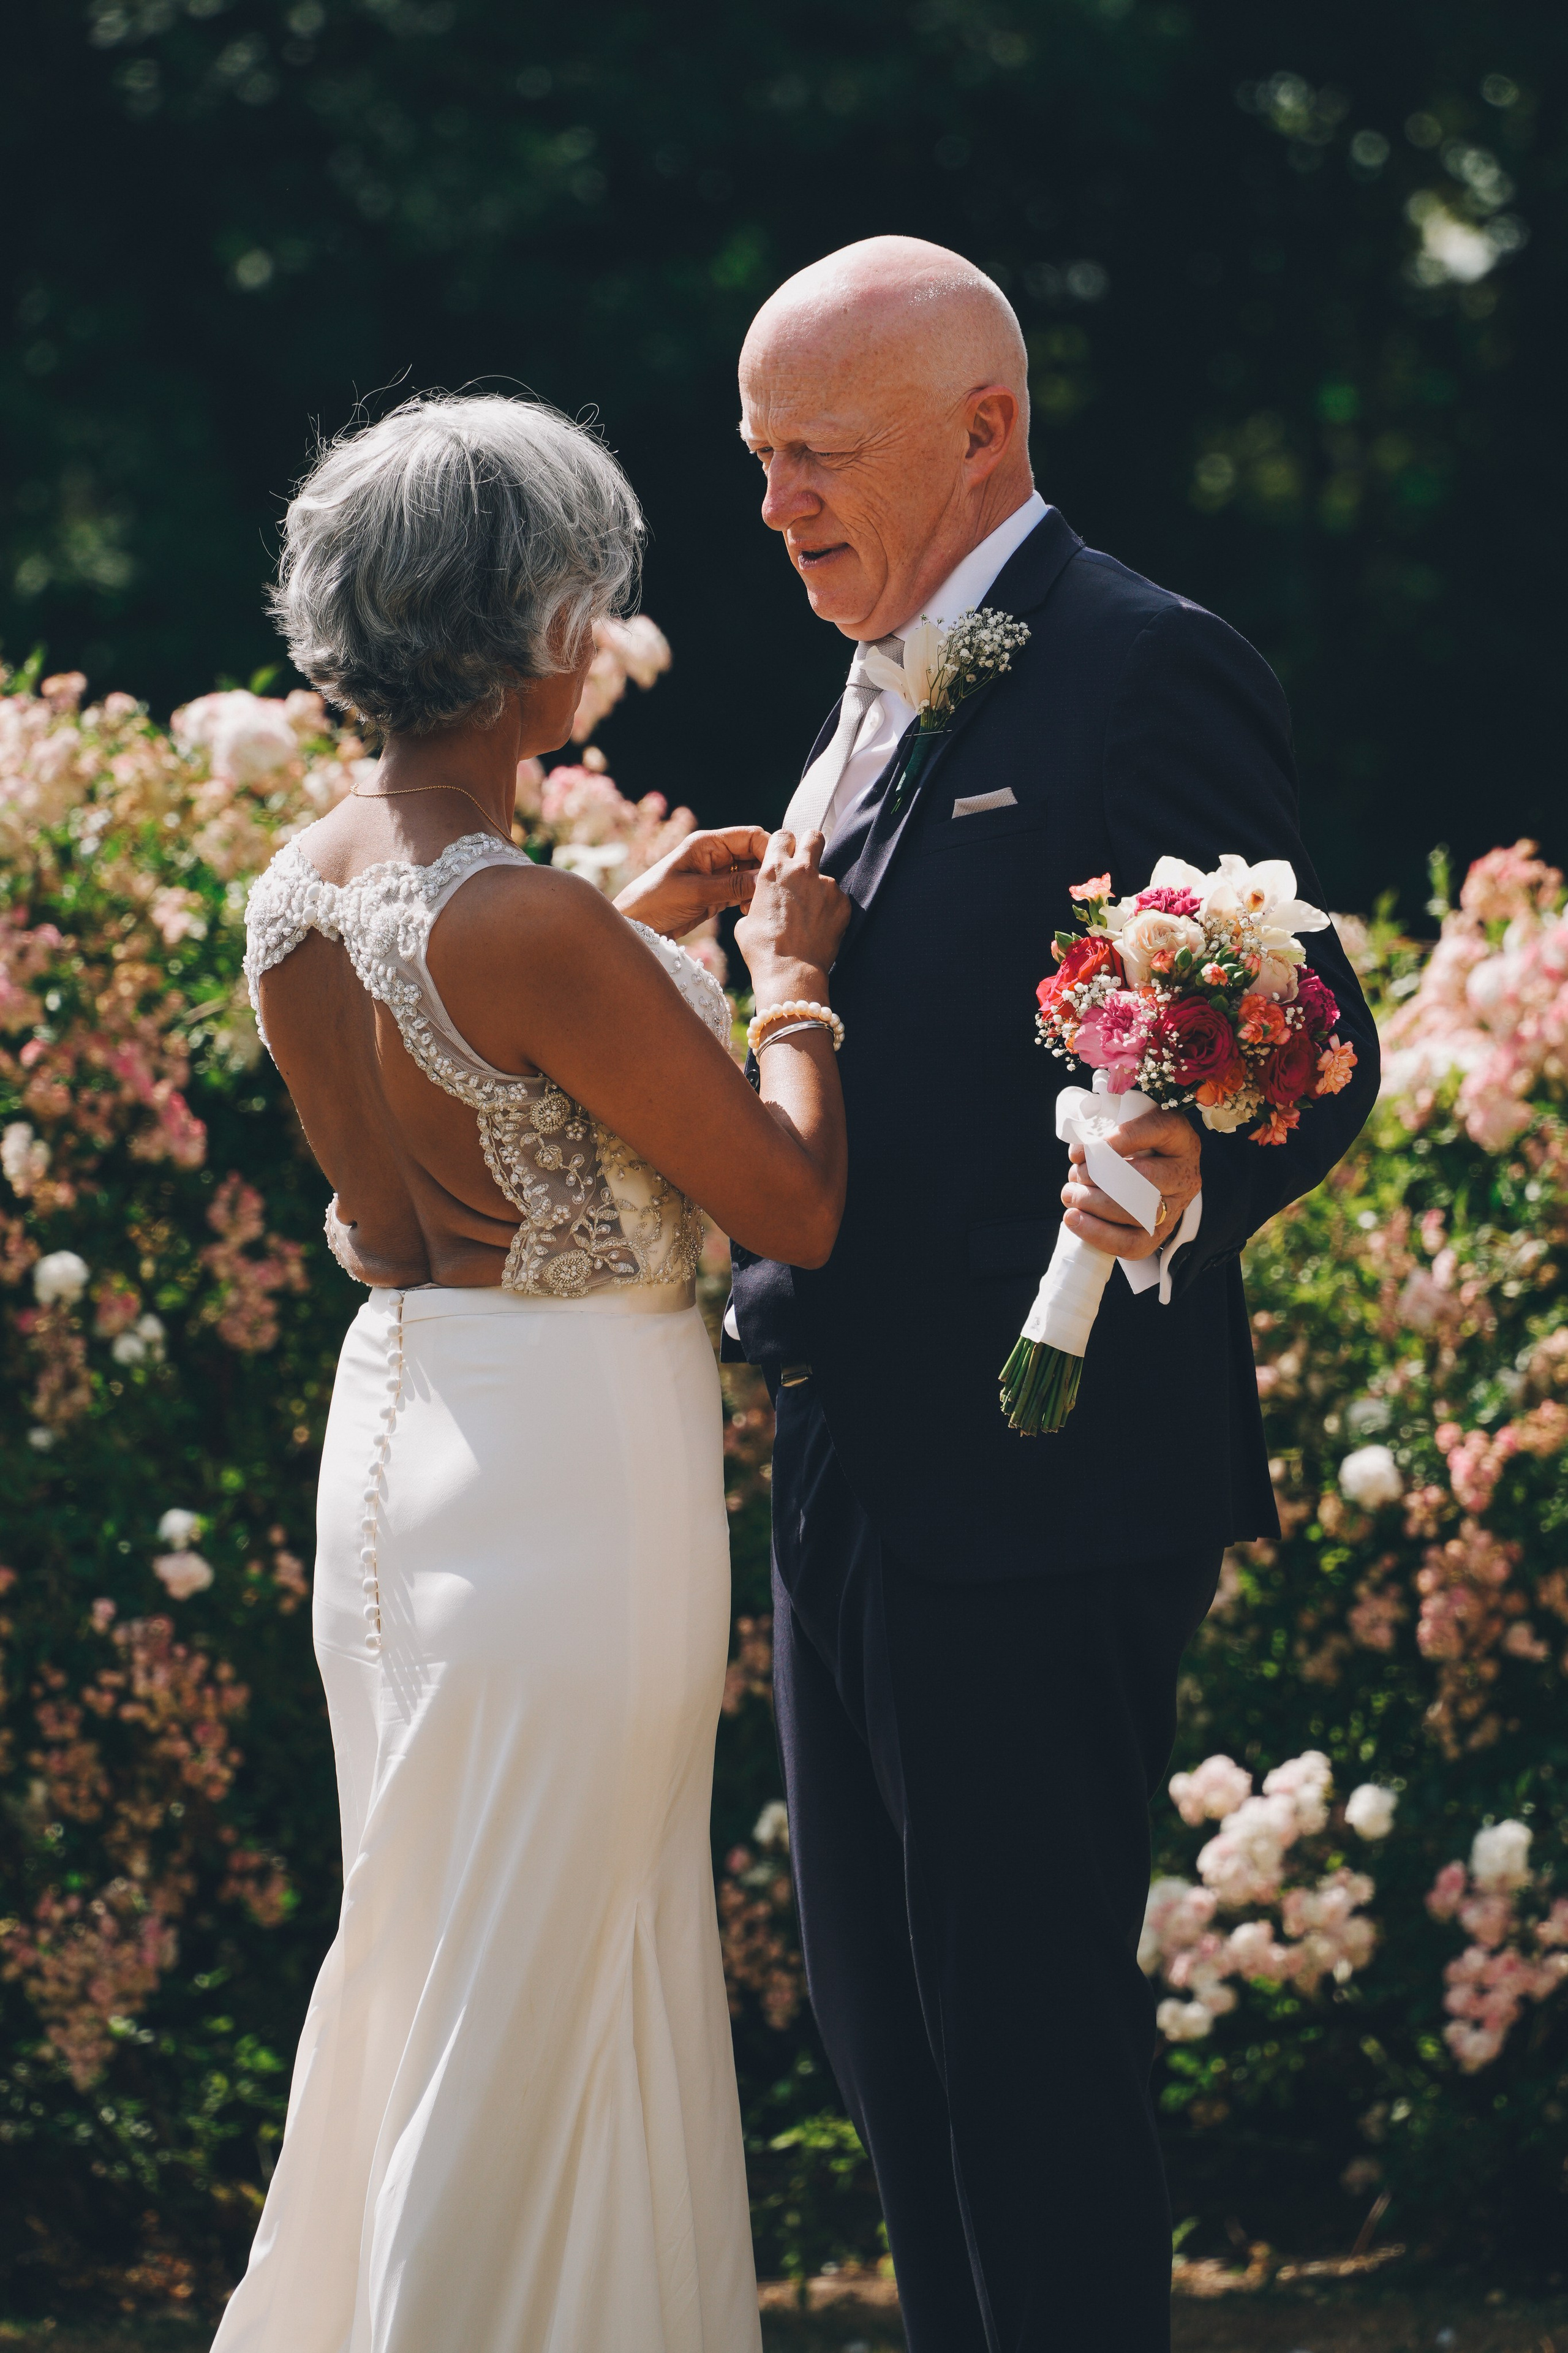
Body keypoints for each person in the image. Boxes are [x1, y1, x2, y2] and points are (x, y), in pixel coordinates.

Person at [724, 237, 1381, 2352]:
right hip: (846, 1471)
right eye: (759, 459)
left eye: (818, 452)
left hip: (1044, 1481)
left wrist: (1205, 1160)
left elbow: (1310, 1016)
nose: (778, 503)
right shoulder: (869, 683)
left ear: (984, 430)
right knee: (888, 2050)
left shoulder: (1137, 661)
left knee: (1021, 2053)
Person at [212, 391, 850, 2353]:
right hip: (574, 1480)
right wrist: (789, 973)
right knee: (550, 1978)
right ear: (526, 622)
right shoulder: (531, 920)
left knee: (444, 1954)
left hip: (402, 1440)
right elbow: (792, 1205)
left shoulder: (296, 889)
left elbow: (459, 1134)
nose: (604, 631)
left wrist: (638, 948)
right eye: (591, 594)